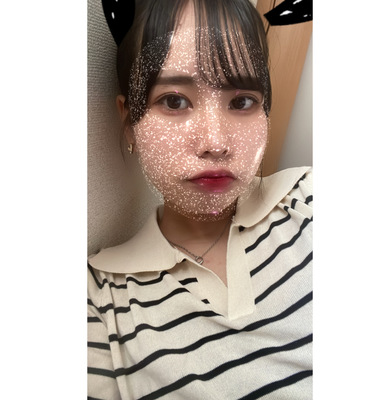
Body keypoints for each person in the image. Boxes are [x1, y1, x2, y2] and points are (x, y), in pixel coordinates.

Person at [88, 0, 312, 398]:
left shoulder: (310, 198)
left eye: (242, 101)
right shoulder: (98, 299)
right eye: (174, 100)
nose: (216, 143)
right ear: (129, 122)